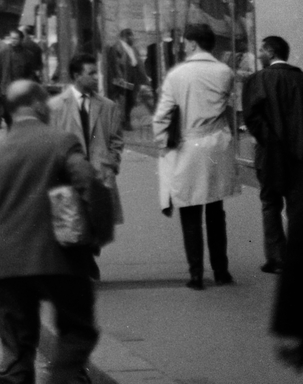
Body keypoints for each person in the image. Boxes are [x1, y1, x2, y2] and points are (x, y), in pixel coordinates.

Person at [0, 79, 101, 384]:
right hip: (59, 257)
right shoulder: (61, 143)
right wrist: (88, 228)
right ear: (37, 105)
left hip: (8, 262)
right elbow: (87, 181)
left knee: (16, 343)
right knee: (77, 329)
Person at [153, 21, 239, 289]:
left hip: (188, 148)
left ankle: (196, 274)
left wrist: (162, 141)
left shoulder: (177, 75)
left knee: (190, 211)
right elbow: (230, 108)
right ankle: (221, 271)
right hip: (217, 147)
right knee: (215, 209)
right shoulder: (225, 72)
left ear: (191, 43)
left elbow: (163, 116)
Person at [48, 53, 123, 279]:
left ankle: (89, 253)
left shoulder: (107, 106)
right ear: (76, 76)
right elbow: (50, 141)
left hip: (100, 172)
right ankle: (85, 261)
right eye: (90, 73)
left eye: (96, 73)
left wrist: (111, 163)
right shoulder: (56, 106)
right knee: (75, 218)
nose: (96, 78)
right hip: (70, 173)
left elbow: (117, 140)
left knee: (97, 220)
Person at [244, 36, 303, 279]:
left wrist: (269, 139)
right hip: (299, 154)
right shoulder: (299, 78)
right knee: (297, 206)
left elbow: (252, 117)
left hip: (270, 154)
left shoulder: (258, 80)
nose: (258, 53)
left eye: (261, 49)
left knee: (270, 204)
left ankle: (276, 258)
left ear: (269, 51)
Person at [104, 27, 140, 131]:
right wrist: (121, 81)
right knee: (123, 100)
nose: (133, 38)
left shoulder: (131, 48)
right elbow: (115, 65)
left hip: (131, 78)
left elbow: (135, 63)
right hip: (123, 80)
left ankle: (125, 120)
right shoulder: (116, 48)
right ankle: (124, 122)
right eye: (131, 36)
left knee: (130, 100)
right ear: (125, 37)